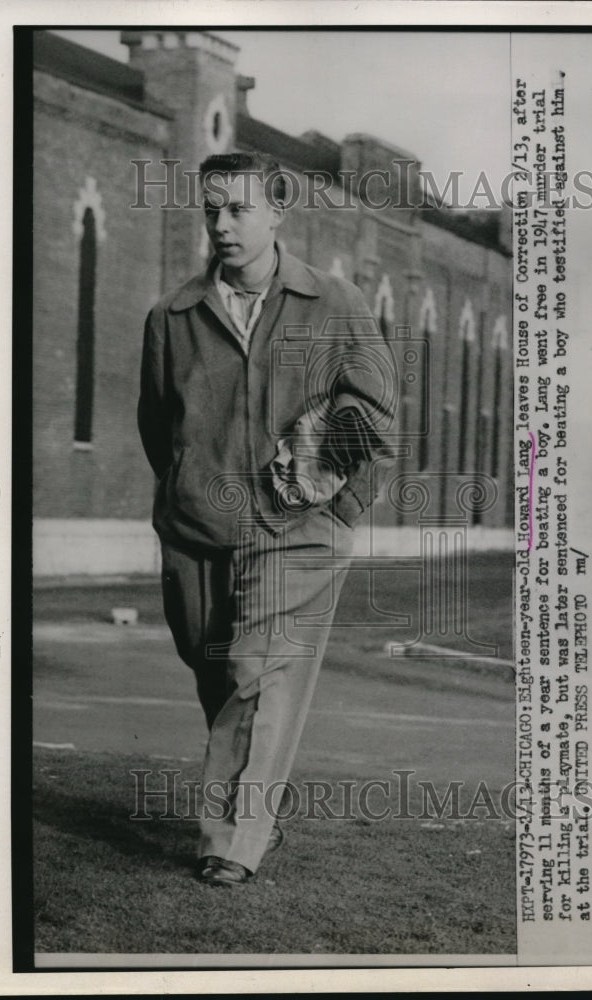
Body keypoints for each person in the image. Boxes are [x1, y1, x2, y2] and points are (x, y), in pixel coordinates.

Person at [138, 151, 396, 886]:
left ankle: (231, 842)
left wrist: (338, 509)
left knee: (258, 675)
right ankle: (255, 810)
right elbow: (158, 426)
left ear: (276, 211)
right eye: (210, 210)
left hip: (297, 531)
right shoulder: (172, 317)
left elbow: (376, 413)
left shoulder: (335, 302)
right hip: (197, 531)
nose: (221, 224)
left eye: (238, 209)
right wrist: (184, 494)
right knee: (219, 675)